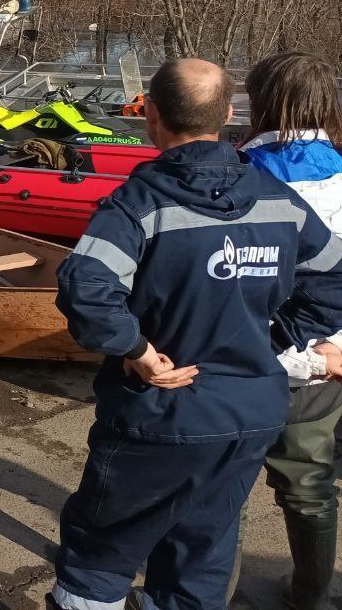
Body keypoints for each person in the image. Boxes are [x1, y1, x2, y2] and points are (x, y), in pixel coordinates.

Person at [48, 58, 342, 610]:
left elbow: (86, 286)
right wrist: (275, 338)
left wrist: (137, 350)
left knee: (98, 559)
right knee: (201, 558)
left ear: (151, 115)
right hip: (249, 415)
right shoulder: (278, 199)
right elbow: (336, 275)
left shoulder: (140, 204)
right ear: (229, 115)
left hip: (164, 411)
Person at [230, 51, 342, 610]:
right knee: (310, 486)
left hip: (237, 358)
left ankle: (202, 595)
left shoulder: (228, 175)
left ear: (259, 103)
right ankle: (311, 597)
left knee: (223, 485)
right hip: (322, 364)